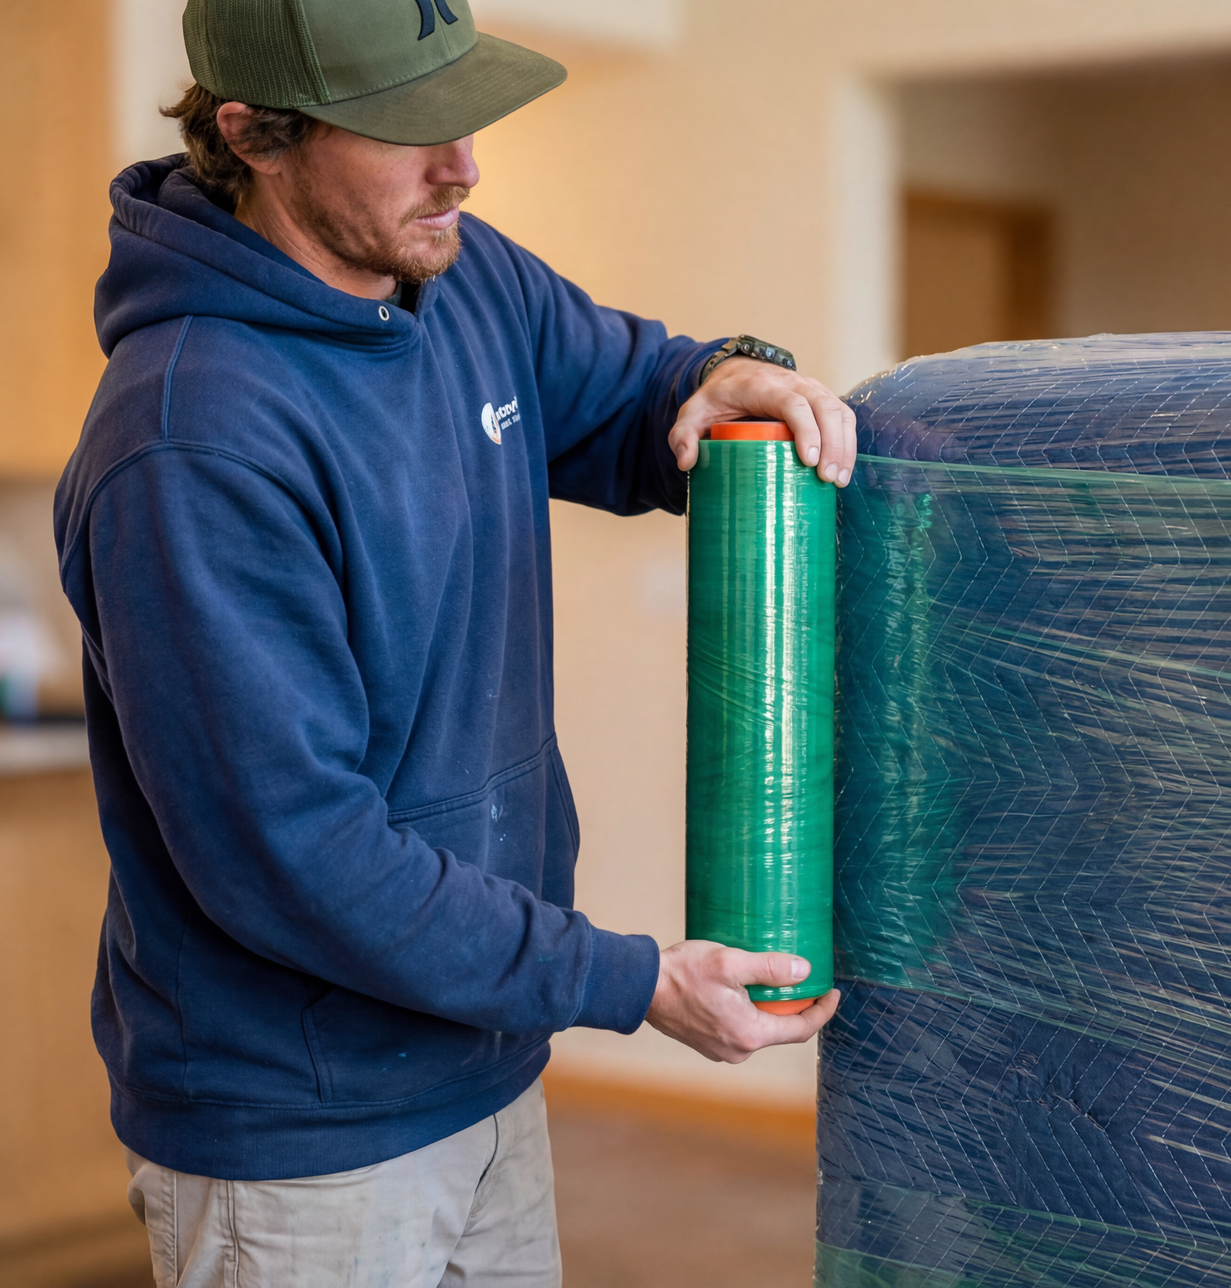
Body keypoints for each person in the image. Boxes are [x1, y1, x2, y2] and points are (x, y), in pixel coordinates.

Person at [53, 0, 853, 1282]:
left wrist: (719, 373)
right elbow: (299, 855)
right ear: (255, 134)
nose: (463, 167)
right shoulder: (191, 438)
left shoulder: (461, 274)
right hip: (305, 1138)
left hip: (481, 1058)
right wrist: (625, 979)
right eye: (405, 130)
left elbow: (628, 392)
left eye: (464, 113)